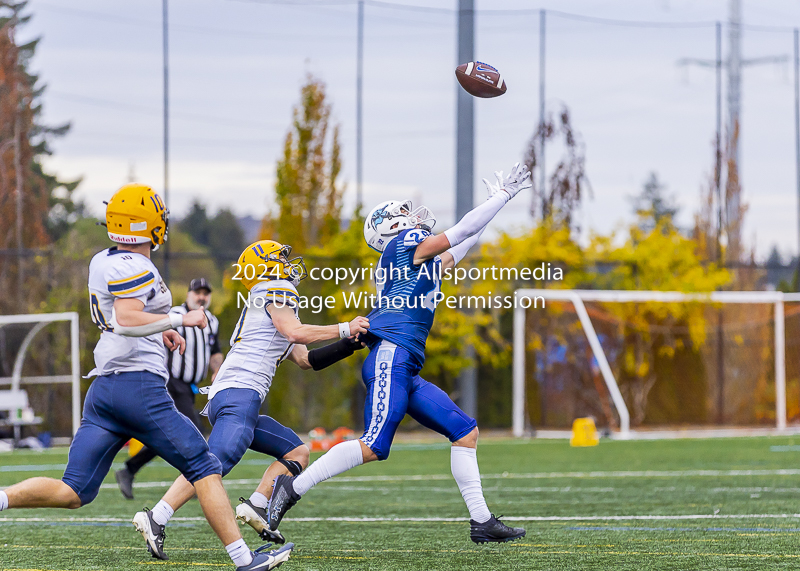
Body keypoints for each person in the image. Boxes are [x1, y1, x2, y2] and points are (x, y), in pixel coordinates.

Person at [0, 184, 292, 571]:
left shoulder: (104, 259)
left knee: (74, 490)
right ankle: (244, 559)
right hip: (137, 387)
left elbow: (128, 318)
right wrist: (178, 319)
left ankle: (1, 498)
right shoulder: (135, 265)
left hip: (104, 388)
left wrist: (161, 330)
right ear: (146, 223)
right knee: (204, 466)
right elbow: (126, 317)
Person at [266, 164, 532, 544]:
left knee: (464, 431)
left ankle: (481, 521)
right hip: (392, 355)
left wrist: (494, 207)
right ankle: (291, 489)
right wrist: (500, 197)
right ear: (390, 227)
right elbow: (462, 230)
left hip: (405, 364)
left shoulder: (412, 261)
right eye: (404, 215)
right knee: (374, 445)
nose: (413, 218)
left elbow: (462, 243)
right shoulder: (401, 247)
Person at [131, 239, 369, 560]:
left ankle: (257, 505)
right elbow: (295, 332)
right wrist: (344, 327)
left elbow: (305, 359)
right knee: (210, 467)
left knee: (296, 451)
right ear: (266, 266)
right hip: (239, 395)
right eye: (280, 259)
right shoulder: (275, 291)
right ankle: (157, 516)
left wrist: (349, 344)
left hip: (234, 398)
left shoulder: (268, 299)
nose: (287, 264)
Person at [116, 277, 223, 500]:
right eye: (197, 292)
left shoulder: (212, 321)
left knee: (165, 435)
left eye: (206, 293)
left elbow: (215, 350)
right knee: (193, 432)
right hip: (171, 383)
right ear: (188, 294)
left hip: (190, 387)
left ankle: (129, 469)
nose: (201, 297)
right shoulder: (175, 314)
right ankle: (197, 479)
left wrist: (217, 370)